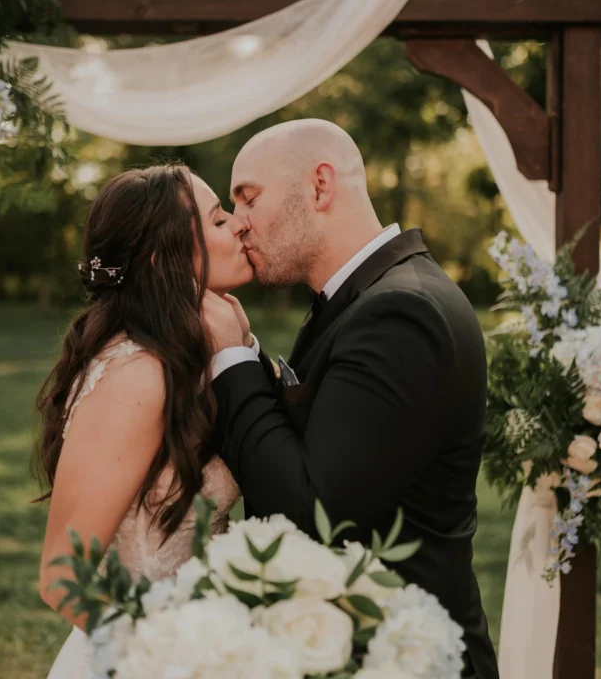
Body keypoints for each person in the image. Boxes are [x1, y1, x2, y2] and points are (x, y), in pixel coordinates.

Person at [204, 119, 500, 679]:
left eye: (248, 198)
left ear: (320, 187)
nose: (238, 224)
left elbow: (312, 515)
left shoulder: (401, 313)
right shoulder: (362, 301)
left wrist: (233, 361)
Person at [36, 163, 252, 679]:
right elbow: (62, 574)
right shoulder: (139, 377)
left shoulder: (186, 359)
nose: (240, 225)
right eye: (219, 220)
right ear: (164, 260)